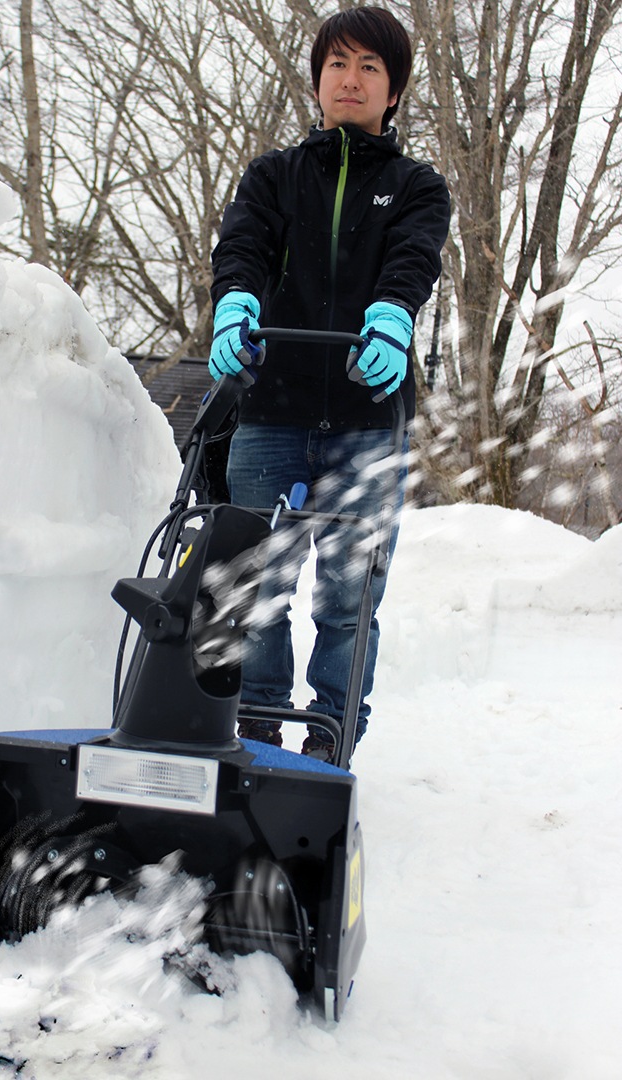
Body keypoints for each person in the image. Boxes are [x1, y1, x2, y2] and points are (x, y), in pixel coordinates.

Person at [208, 6, 451, 761]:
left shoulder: (417, 184)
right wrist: (235, 303)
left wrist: (390, 315)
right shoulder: (274, 176)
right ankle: (256, 726)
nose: (351, 79)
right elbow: (242, 244)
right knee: (257, 584)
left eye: (370, 67)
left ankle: (331, 739)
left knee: (349, 599)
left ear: (393, 91)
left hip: (367, 420)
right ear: (318, 80)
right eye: (338, 64)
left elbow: (414, 256)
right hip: (271, 412)